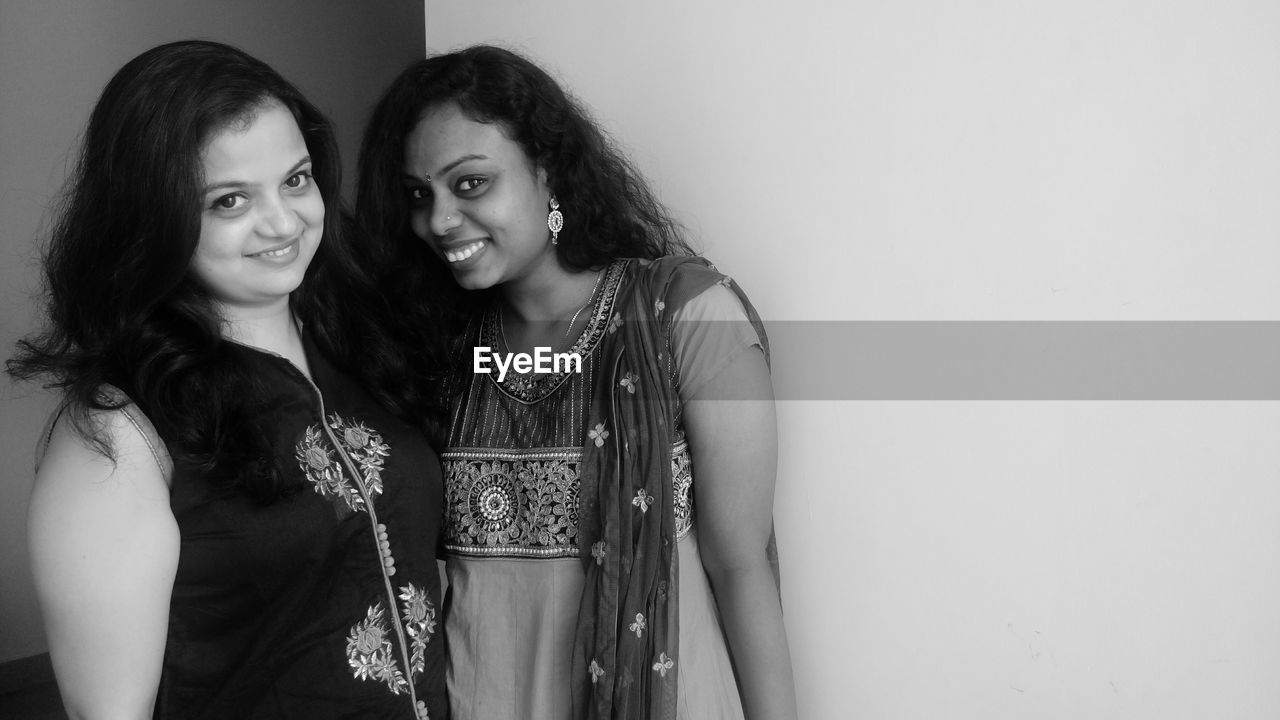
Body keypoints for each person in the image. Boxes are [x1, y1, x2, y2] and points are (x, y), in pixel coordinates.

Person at [9, 40, 449, 720]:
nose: (282, 221)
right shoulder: (118, 432)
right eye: (230, 200)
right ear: (154, 216)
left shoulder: (361, 341)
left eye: (296, 180)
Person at [356, 45, 797, 720]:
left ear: (550, 170)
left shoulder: (681, 316)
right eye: (420, 195)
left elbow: (740, 566)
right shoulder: (434, 348)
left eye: (470, 183)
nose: (439, 220)